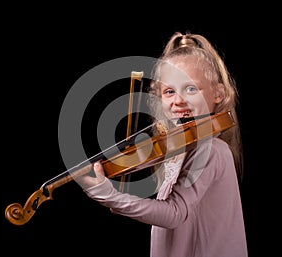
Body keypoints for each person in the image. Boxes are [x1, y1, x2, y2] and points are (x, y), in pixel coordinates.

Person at [76, 31, 248, 257]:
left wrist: (110, 195)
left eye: (191, 89)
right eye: (169, 91)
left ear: (218, 93)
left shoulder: (212, 150)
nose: (178, 100)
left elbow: (175, 213)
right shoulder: (179, 148)